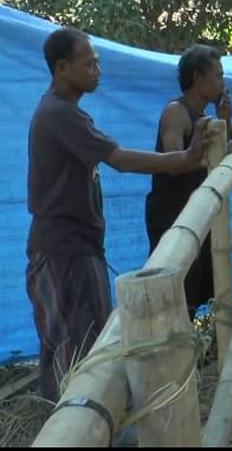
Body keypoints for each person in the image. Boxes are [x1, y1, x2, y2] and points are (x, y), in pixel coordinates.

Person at [26, 27, 214, 403]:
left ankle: (79, 421)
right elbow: (120, 159)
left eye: (97, 63)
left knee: (78, 345)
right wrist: (186, 157)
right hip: (65, 251)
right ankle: (75, 423)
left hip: (75, 246)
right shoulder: (59, 115)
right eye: (89, 64)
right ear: (62, 68)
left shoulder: (66, 113)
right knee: (79, 354)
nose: (97, 71)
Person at [145, 44, 232, 320]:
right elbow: (175, 161)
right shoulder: (176, 112)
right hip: (173, 215)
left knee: (195, 292)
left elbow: (211, 157)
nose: (222, 82)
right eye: (218, 75)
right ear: (197, 77)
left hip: (198, 211)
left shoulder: (206, 119)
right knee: (177, 292)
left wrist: (226, 121)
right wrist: (229, 148)